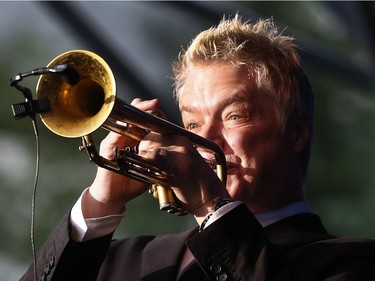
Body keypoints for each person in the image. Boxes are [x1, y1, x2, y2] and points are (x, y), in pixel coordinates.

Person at [21, 14, 375, 281]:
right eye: (191, 124)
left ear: (296, 131)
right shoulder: (124, 259)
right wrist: (100, 204)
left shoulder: (350, 262)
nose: (203, 139)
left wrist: (211, 205)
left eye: (234, 116)